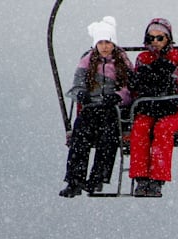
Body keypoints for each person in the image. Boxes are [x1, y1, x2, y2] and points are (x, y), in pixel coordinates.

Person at [60, 17, 131, 197]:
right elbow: (76, 86)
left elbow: (130, 88)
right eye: (100, 43)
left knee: (108, 136)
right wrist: (81, 94)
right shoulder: (87, 61)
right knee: (80, 136)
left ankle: (97, 178)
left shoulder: (122, 62)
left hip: (113, 110)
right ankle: (74, 180)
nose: (105, 47)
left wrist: (117, 97)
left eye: (108, 42)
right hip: (92, 108)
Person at [128, 17, 178, 198]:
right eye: (151, 38)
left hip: (175, 110)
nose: (155, 42)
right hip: (150, 108)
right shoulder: (143, 58)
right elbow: (136, 88)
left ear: (168, 38)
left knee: (163, 129)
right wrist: (147, 78)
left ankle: (157, 179)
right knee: (140, 128)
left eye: (159, 38)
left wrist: (168, 75)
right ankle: (141, 178)